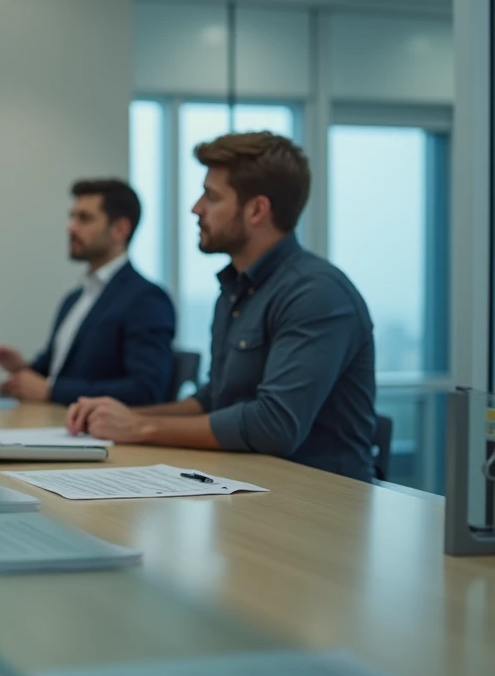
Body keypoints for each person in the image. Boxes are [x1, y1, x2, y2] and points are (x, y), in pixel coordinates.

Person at [67, 132, 377, 481]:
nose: (196, 208)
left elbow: (274, 425)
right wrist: (119, 416)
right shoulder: (235, 290)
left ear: (257, 210)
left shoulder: (317, 293)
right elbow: (214, 399)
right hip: (244, 484)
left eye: (211, 197)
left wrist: (141, 426)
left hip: (318, 503)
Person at [0, 179, 175, 406]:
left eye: (84, 218)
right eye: (72, 217)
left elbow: (145, 390)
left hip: (97, 435)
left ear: (120, 229)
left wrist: (52, 390)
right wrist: (23, 370)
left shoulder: (146, 299)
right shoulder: (74, 299)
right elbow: (56, 371)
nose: (71, 227)